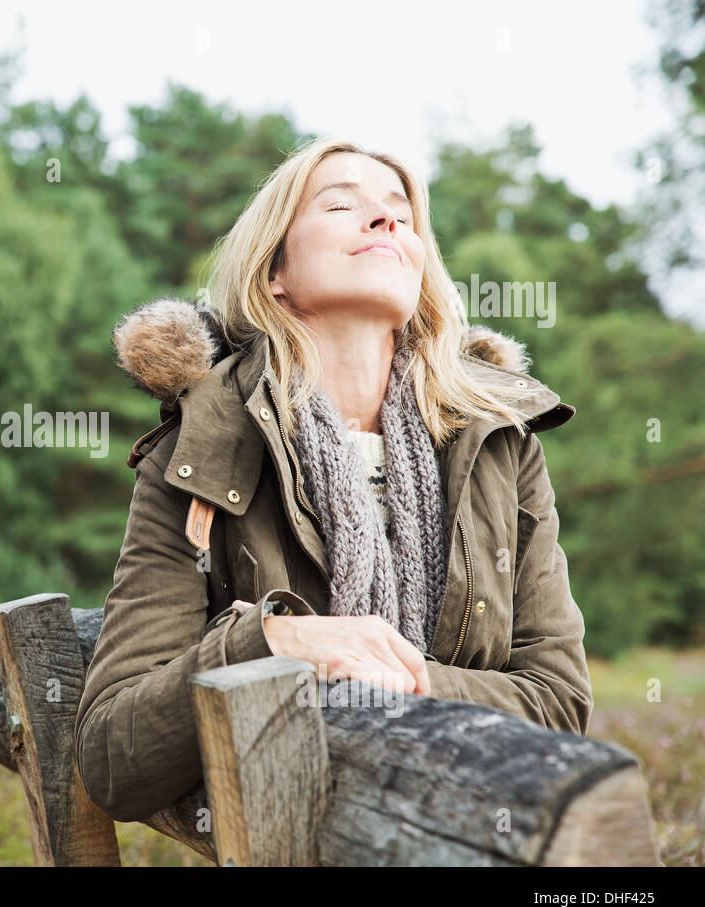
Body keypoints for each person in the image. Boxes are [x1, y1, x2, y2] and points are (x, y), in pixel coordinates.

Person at [74, 137, 592, 824]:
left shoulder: (499, 442)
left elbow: (558, 704)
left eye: (401, 214)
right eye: (342, 204)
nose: (385, 222)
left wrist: (394, 679)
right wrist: (276, 643)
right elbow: (115, 755)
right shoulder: (205, 448)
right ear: (274, 273)